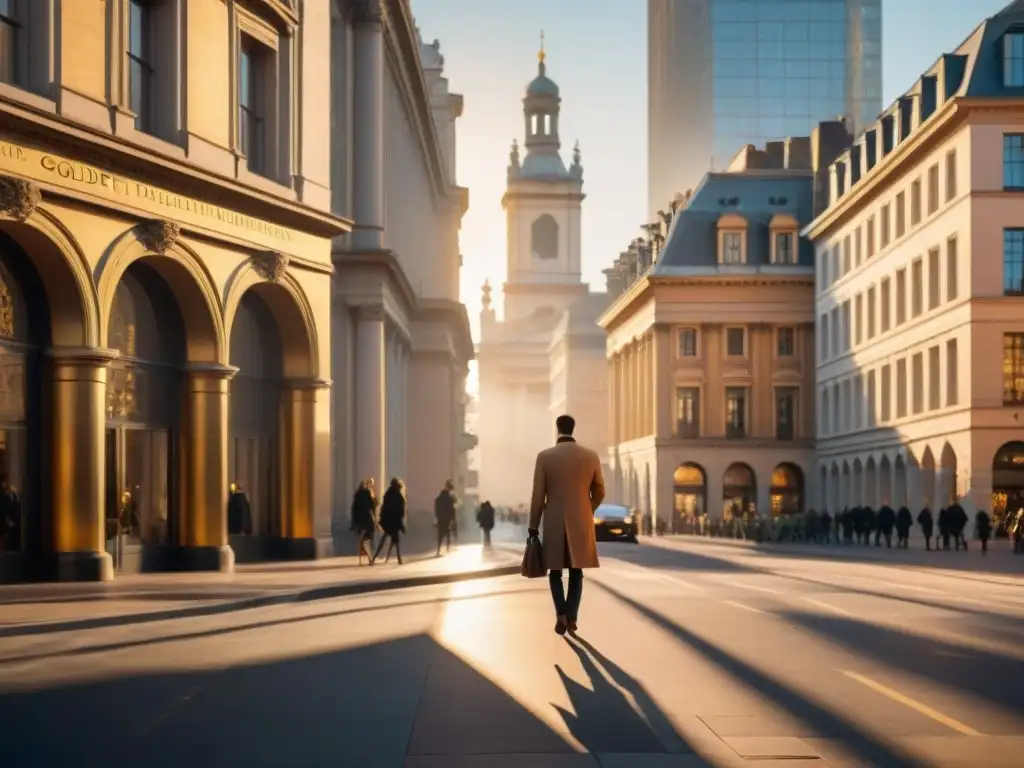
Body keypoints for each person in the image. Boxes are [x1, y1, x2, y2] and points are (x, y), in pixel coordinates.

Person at [528, 413, 605, 637]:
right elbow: (600, 491)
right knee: (576, 569)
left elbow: (537, 495)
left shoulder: (544, 456)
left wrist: (533, 526)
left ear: (557, 429)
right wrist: (587, 508)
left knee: (555, 570)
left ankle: (560, 613)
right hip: (581, 518)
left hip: (553, 519)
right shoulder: (590, 456)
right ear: (573, 429)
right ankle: (572, 616)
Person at [374, 478, 407, 565]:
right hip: (394, 521)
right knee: (395, 540)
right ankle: (399, 558)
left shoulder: (388, 494)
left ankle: (375, 557)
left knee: (387, 539)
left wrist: (382, 519)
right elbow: (401, 511)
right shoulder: (398, 496)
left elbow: (384, 508)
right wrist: (401, 523)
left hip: (388, 520)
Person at [350, 478, 378, 566]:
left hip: (359, 521)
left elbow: (353, 509)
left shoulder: (357, 495)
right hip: (367, 519)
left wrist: (354, 522)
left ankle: (364, 556)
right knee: (368, 539)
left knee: (362, 539)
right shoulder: (367, 493)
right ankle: (370, 558)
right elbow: (373, 505)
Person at [434, 480, 458, 556]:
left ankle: (438, 550)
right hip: (447, 519)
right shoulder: (449, 499)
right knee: (448, 533)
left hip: (440, 519)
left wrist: (437, 516)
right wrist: (453, 518)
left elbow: (436, 508)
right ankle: (447, 548)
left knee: (440, 535)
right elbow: (452, 509)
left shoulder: (438, 499)